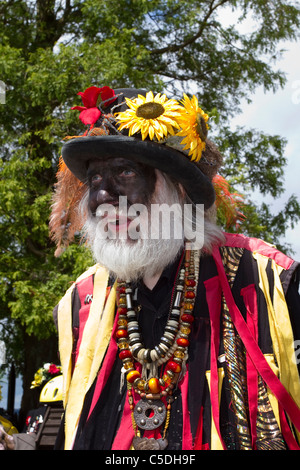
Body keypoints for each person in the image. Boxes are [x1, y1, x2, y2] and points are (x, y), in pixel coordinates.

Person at [1, 86, 300, 450]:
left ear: (178, 188)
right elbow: (69, 429)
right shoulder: (79, 305)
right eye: (95, 179)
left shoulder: (268, 284)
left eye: (125, 171)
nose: (102, 197)